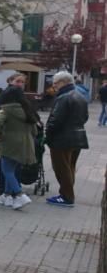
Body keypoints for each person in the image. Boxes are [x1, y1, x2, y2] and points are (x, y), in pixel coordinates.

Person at [45, 70, 90, 207]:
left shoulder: (63, 97)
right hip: (78, 136)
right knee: (70, 166)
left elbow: (56, 120)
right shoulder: (80, 96)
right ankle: (67, 194)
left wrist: (48, 134)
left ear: (64, 82)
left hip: (62, 138)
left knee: (61, 167)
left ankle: (66, 196)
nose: (54, 86)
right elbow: (85, 117)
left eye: (55, 83)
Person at [0, 86, 38, 210]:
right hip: (26, 144)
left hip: (10, 143)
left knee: (6, 170)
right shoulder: (28, 109)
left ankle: (19, 194)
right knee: (11, 169)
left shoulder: (6, 109)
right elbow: (34, 129)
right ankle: (6, 196)